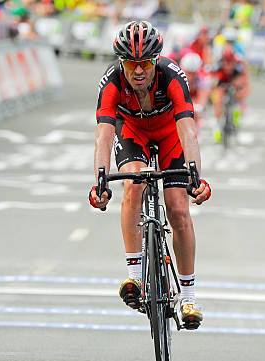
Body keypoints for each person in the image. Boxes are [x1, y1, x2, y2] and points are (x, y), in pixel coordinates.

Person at [90, 21, 212, 328]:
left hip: (170, 134)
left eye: (144, 63)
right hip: (132, 133)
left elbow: (188, 131)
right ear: (122, 63)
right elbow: (103, 136)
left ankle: (188, 296)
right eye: (132, 64)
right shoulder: (112, 81)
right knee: (134, 182)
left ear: (155, 60)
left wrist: (196, 176)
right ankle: (135, 277)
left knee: (179, 209)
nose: (139, 71)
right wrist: (101, 181)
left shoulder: (172, 76)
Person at [210, 46, 250, 143]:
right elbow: (211, 80)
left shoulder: (239, 65)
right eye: (225, 62)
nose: (228, 65)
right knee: (218, 100)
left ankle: (237, 119)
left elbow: (246, 81)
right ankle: (217, 127)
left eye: (230, 62)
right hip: (222, 81)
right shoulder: (218, 65)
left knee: (239, 94)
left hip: (234, 80)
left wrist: (242, 93)